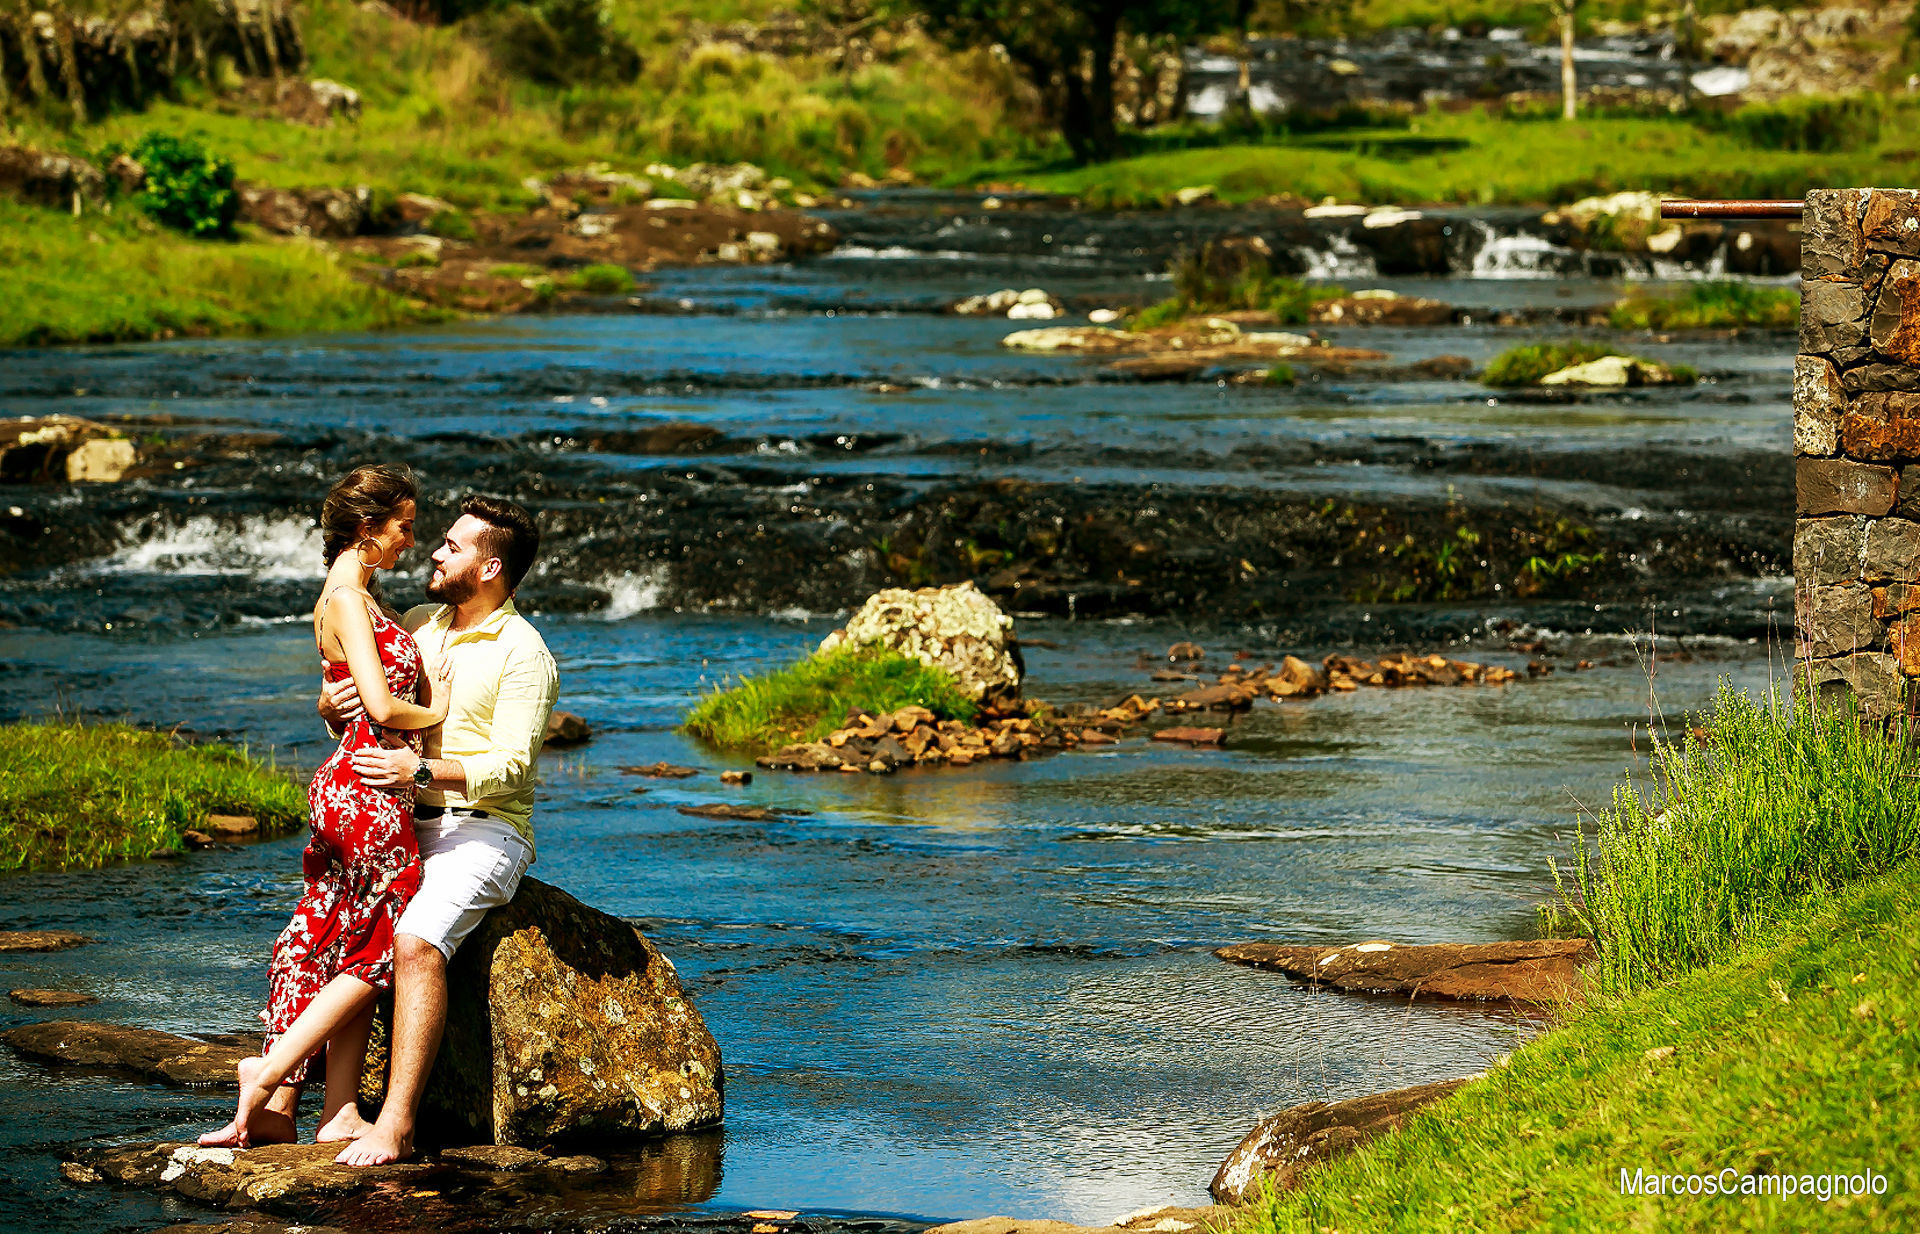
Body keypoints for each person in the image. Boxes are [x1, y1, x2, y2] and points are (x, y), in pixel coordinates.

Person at [295, 494, 558, 1166]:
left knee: (412, 942)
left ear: (491, 566)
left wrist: (421, 772)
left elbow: (512, 764)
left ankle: (397, 1124)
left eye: (452, 546)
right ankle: (334, 1109)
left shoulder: (524, 652)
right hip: (402, 823)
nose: (434, 553)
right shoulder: (418, 624)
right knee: (346, 932)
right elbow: (370, 713)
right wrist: (329, 707)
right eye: (435, 540)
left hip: (485, 831)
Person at [202, 464, 454, 1149]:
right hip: (365, 788)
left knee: (347, 935)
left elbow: (347, 698)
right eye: (404, 525)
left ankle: (337, 1107)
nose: (411, 539)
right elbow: (378, 704)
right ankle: (270, 1071)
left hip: (360, 780)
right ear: (368, 527)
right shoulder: (347, 597)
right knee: (381, 943)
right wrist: (439, 714)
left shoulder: (363, 599)